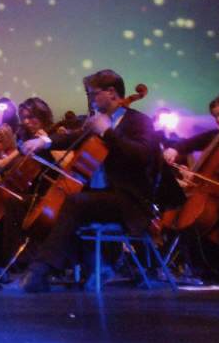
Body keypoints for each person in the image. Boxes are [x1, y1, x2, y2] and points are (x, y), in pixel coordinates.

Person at [15, 69, 183, 292]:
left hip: (130, 201)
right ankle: (90, 266)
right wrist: (44, 142)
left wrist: (109, 132)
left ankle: (41, 270)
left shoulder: (138, 121)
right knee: (63, 202)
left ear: (111, 92)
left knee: (75, 202)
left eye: (94, 94)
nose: (91, 100)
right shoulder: (99, 122)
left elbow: (142, 155)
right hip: (102, 199)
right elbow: (74, 137)